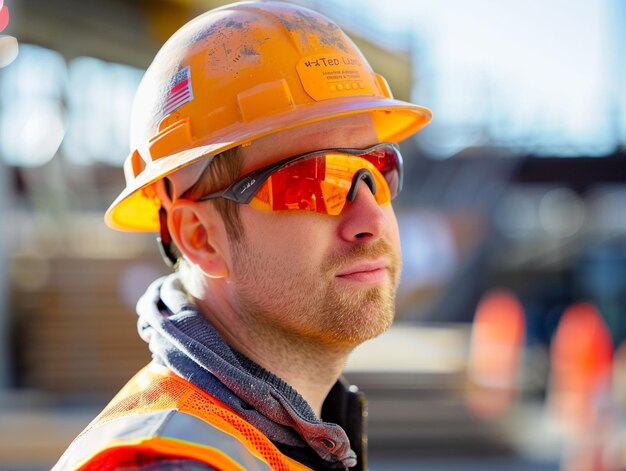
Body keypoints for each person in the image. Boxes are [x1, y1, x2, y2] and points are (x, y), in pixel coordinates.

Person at [53, 1, 431, 470]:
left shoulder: (288, 442)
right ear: (200, 238)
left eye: (377, 170)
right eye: (314, 181)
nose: (371, 218)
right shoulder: (173, 464)